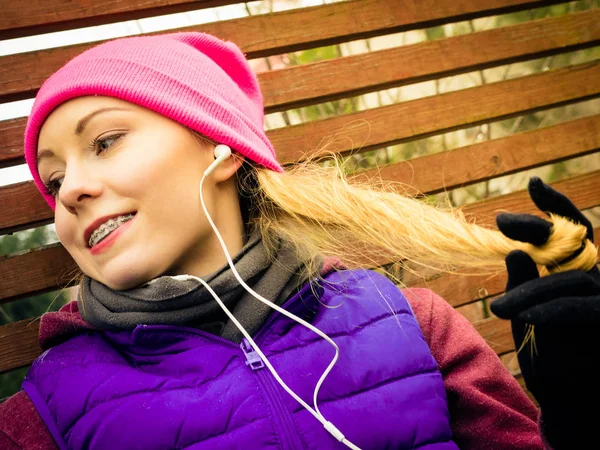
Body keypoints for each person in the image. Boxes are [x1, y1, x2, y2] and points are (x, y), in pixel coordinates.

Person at [0, 31, 597, 450]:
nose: (70, 189)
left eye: (104, 142)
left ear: (220, 145)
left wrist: (579, 417)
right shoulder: (50, 410)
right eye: (54, 180)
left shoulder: (413, 323)